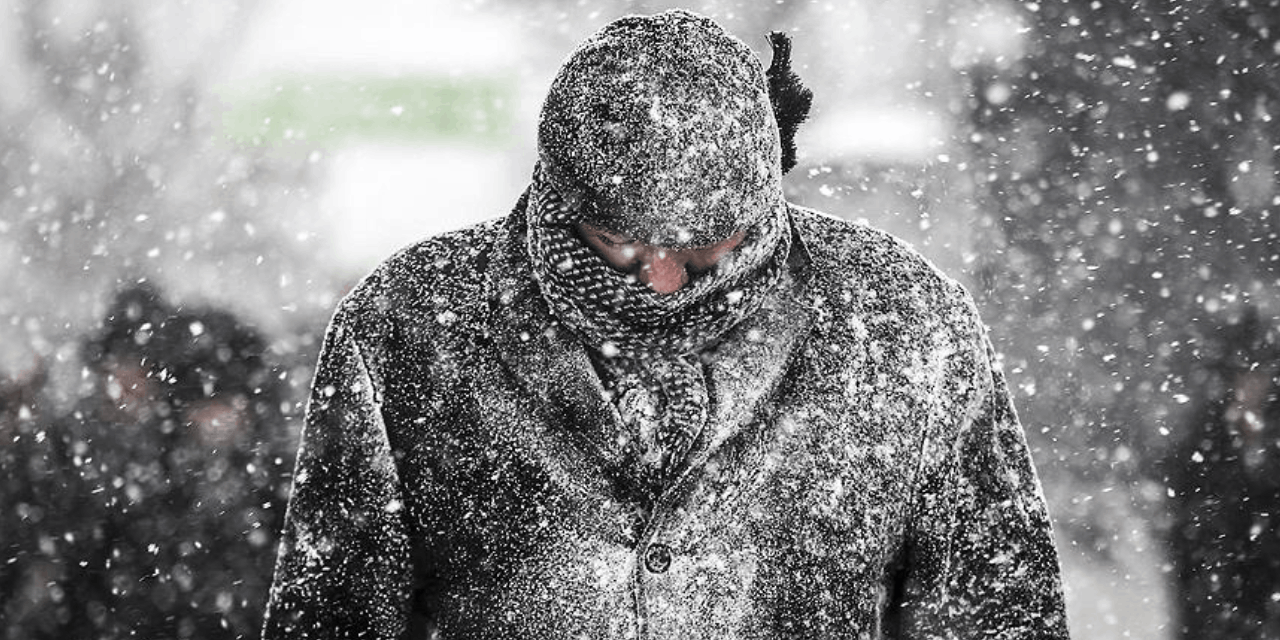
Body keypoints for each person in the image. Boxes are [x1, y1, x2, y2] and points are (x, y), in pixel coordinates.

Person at [263, 10, 1069, 638]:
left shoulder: (902, 326)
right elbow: (331, 614)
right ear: (557, 197)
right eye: (618, 242)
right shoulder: (412, 326)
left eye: (705, 247)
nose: (662, 281)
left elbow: (996, 611)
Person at [2, 283, 291, 639]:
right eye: (118, 361)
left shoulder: (271, 474)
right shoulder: (86, 447)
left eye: (227, 398)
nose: (215, 416)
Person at [1167, 307, 1280, 639]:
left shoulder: (1268, 440)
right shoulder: (1201, 444)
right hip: (1214, 610)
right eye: (1244, 373)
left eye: (1262, 373)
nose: (1253, 385)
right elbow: (1189, 538)